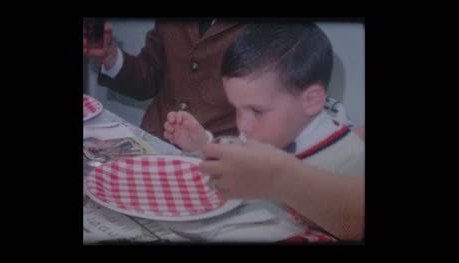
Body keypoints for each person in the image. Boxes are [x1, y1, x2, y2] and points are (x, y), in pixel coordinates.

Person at [163, 22, 364, 240]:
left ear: (311, 101)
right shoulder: (269, 129)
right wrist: (202, 145)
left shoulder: (351, 158)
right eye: (237, 108)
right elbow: (235, 157)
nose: (243, 125)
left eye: (257, 111)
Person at [83, 19, 364, 142]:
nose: (244, 118)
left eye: (253, 110)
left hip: (230, 162)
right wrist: (109, 56)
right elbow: (150, 75)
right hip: (155, 143)